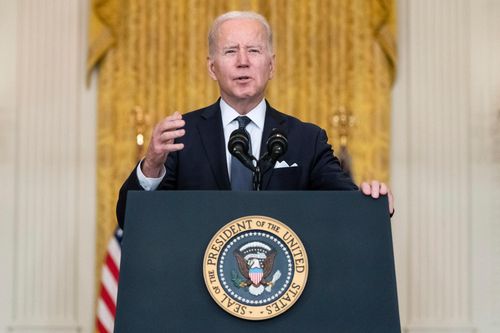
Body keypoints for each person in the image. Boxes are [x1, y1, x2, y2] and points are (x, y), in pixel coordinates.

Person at [116, 11, 394, 228]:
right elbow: (130, 219)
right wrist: (151, 164)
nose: (242, 61)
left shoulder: (306, 139)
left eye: (254, 50)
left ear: (271, 65)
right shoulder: (181, 137)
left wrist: (371, 199)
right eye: (230, 51)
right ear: (212, 68)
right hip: (196, 291)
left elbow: (346, 207)